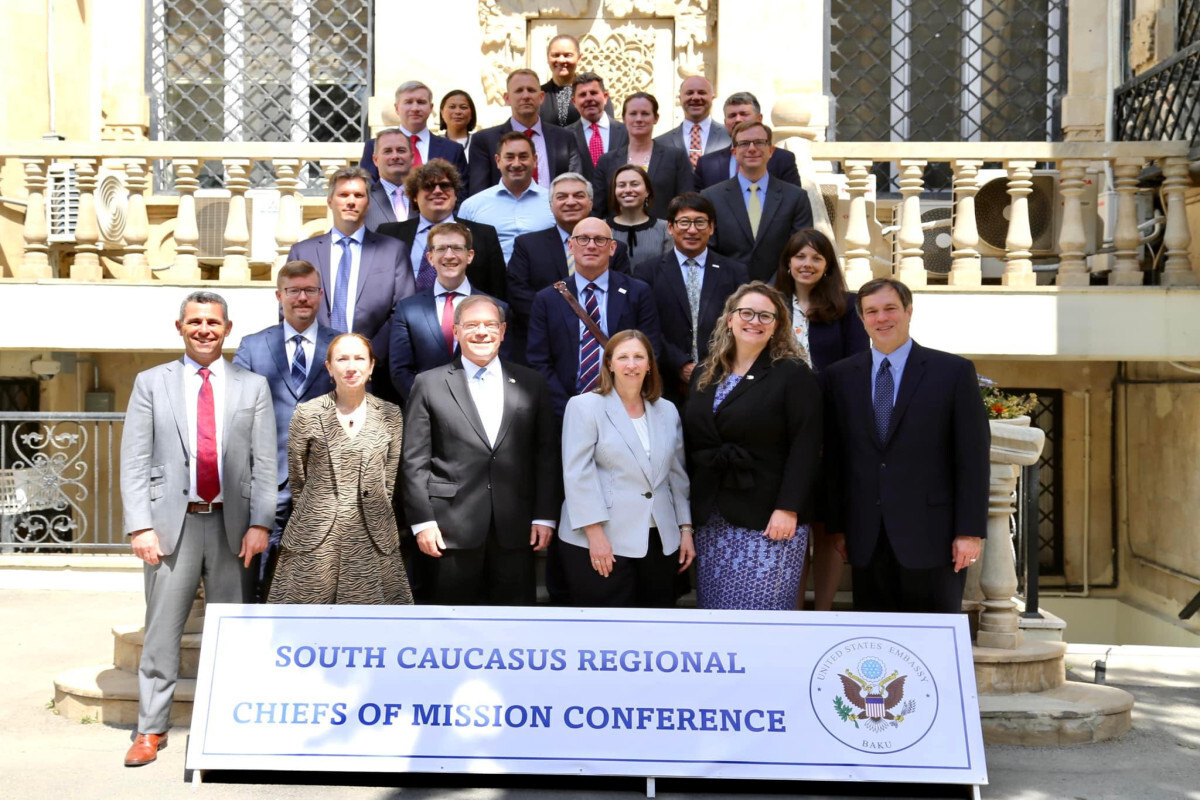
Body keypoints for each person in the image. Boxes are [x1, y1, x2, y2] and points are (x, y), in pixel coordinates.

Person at [120, 291, 275, 767]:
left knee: (233, 634)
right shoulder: (151, 383)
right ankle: (151, 729)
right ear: (180, 327)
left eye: (213, 322)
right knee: (162, 632)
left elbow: (265, 462)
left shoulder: (253, 386)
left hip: (234, 527)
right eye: (195, 322)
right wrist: (140, 527)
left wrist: (261, 522)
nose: (204, 329)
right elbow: (134, 460)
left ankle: (230, 723)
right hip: (172, 528)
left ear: (227, 329)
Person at [822, 278, 990, 614]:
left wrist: (969, 532)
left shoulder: (953, 372)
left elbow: (972, 458)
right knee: (876, 640)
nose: (881, 318)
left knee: (932, 639)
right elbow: (836, 459)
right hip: (866, 538)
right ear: (862, 319)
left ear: (908, 311)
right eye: (872, 311)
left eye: (890, 308)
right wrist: (838, 528)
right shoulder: (839, 377)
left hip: (934, 538)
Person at [402, 295, 560, 605]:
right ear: (456, 331)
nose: (482, 332)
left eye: (490, 325)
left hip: (516, 528)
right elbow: (414, 462)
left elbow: (546, 456)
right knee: (451, 622)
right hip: (448, 530)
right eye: (472, 325)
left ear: (503, 331)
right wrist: (423, 522)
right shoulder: (428, 384)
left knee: (513, 622)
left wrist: (544, 516)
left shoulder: (531, 382)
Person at [684, 282, 822, 610]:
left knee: (762, 619)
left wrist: (788, 508)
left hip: (769, 517)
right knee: (717, 617)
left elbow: (806, 445)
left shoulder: (793, 373)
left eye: (765, 316)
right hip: (713, 517)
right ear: (730, 318)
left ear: (777, 325)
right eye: (746, 313)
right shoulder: (705, 371)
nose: (754, 321)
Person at [268, 333, 413, 605]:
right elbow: (298, 478)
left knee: (369, 622)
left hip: (372, 536)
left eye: (359, 358)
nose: (351, 366)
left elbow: (389, 480)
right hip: (315, 538)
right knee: (308, 621)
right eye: (342, 359)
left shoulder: (391, 414)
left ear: (371, 366)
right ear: (329, 367)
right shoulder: (307, 413)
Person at [772, 228, 870, 611]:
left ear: (828, 265)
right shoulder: (771, 304)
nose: (807, 264)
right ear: (788, 262)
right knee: (791, 529)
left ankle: (823, 614)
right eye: (800, 256)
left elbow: (856, 369)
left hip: (831, 429)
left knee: (828, 529)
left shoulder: (847, 306)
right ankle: (795, 616)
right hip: (782, 429)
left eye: (816, 257)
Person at [559, 329, 693, 607]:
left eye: (639, 357)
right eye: (623, 357)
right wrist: (595, 534)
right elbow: (577, 474)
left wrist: (686, 530)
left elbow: (677, 477)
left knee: (655, 626)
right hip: (602, 538)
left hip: (660, 540)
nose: (631, 364)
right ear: (609, 363)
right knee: (608, 627)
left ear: (650, 364)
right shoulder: (584, 406)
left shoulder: (667, 410)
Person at [233, 261, 338, 600]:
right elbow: (236, 415)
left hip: (325, 482)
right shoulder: (253, 346)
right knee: (259, 570)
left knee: (320, 575)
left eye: (309, 290)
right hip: (268, 481)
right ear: (279, 295)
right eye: (293, 291)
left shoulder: (341, 346)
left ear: (321, 295)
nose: (302, 298)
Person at [287, 166, 415, 402]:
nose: (351, 201)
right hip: (315, 372)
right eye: (343, 194)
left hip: (374, 375)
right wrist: (324, 356)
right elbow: (290, 310)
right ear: (330, 201)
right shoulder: (303, 252)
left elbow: (403, 311)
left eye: (358, 195)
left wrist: (364, 356)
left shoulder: (393, 250)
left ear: (368, 203)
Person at [527, 216, 661, 421]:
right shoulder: (547, 299)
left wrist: (627, 400)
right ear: (570, 246)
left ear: (612, 248)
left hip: (626, 407)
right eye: (583, 239)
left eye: (600, 240)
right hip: (565, 409)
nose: (591, 246)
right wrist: (569, 408)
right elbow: (539, 361)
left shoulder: (638, 292)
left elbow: (651, 351)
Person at [633, 193, 748, 407]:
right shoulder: (647, 272)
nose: (692, 230)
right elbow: (647, 327)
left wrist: (711, 365)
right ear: (670, 227)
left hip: (723, 377)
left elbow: (742, 324)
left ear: (711, 227)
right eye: (684, 222)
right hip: (664, 381)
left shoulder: (735, 272)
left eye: (700, 222)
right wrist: (680, 364)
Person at [507, 173, 633, 363]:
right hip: (546, 346)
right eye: (562, 196)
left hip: (605, 351)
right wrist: (566, 324)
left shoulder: (613, 248)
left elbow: (622, 297)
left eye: (579, 196)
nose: (571, 202)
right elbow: (518, 294)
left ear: (591, 203)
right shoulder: (527, 245)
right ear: (551, 205)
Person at [389, 222, 509, 404]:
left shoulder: (497, 308)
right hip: (426, 410)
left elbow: (504, 365)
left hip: (482, 408)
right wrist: (430, 405)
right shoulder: (407, 309)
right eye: (441, 249)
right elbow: (400, 370)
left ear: (470, 255)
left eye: (457, 248)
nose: (449, 255)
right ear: (430, 258)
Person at [376, 160, 507, 300]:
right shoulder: (389, 234)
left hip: (467, 312)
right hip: (403, 313)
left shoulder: (484, 235)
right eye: (428, 186)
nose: (437, 191)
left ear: (455, 194)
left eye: (445, 185)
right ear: (414, 196)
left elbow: (498, 291)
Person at [701, 120, 813, 282]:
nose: (752, 149)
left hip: (781, 289)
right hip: (728, 290)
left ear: (771, 150)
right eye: (744, 143)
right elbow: (708, 250)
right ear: (734, 152)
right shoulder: (711, 197)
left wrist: (771, 289)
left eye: (759, 142)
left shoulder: (796, 197)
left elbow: (800, 250)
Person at [468, 68, 581, 195]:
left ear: (541, 97)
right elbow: (479, 195)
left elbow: (575, 186)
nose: (526, 96)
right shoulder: (484, 141)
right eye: (519, 90)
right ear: (507, 98)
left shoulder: (565, 138)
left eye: (531, 90)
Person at [592, 92, 694, 221]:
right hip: (616, 232)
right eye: (633, 114)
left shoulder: (675, 157)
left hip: (663, 231)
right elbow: (598, 208)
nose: (639, 119)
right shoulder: (607, 161)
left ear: (656, 118)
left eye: (645, 114)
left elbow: (686, 202)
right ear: (624, 118)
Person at [459, 131, 556, 264]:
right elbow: (460, 251)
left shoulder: (554, 202)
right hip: (491, 277)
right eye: (509, 157)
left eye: (523, 157)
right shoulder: (472, 206)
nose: (516, 164)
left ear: (534, 160)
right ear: (498, 161)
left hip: (543, 276)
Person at [360, 81, 469, 182]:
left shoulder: (453, 150)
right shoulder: (374, 146)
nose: (415, 108)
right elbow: (368, 187)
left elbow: (461, 190)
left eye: (421, 102)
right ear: (397, 108)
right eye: (408, 102)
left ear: (431, 108)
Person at [694, 91, 801, 190]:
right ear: (725, 122)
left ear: (759, 119)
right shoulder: (706, 164)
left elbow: (794, 200)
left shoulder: (783, 160)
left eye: (744, 114)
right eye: (732, 116)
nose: (738, 120)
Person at [653, 75, 731, 168]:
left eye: (702, 93)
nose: (695, 97)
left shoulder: (730, 137)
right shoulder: (661, 143)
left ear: (712, 97)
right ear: (680, 98)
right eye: (689, 93)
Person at [538, 34, 613, 127]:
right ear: (548, 58)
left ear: (579, 58)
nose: (561, 60)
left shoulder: (595, 93)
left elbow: (608, 129)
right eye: (555, 55)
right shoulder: (538, 95)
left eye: (568, 55)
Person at [566, 72, 628, 181]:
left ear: (605, 97)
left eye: (593, 93)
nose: (589, 98)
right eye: (583, 95)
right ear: (574, 102)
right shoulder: (565, 136)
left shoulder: (626, 132)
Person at [606, 164, 670, 264]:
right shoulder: (601, 228)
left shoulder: (665, 229)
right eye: (621, 185)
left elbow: (668, 267)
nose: (628, 190)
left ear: (647, 191)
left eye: (635, 184)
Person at [364, 127, 416, 230]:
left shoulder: (425, 196)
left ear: (412, 158)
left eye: (401, 150)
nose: (395, 156)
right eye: (387, 151)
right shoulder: (363, 199)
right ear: (375, 160)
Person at [439, 89, 477, 158]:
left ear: (472, 113)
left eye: (463, 107)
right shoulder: (433, 143)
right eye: (452, 107)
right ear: (442, 113)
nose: (458, 112)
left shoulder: (479, 143)